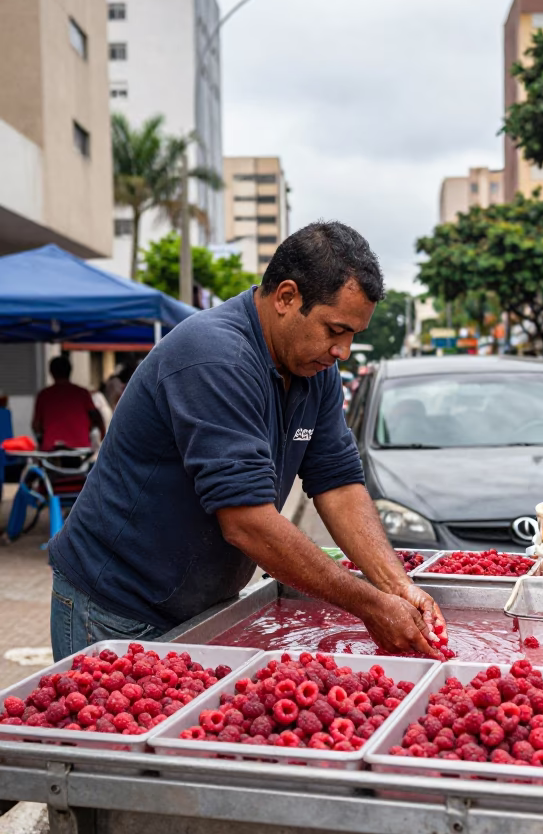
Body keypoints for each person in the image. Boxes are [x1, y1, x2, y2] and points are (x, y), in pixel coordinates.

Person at [48, 222, 445, 665]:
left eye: (353, 334)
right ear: (286, 297)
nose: (344, 351)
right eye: (335, 330)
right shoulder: (214, 356)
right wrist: (371, 606)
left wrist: (397, 587)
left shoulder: (317, 371)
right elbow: (247, 522)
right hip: (116, 609)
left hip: (199, 605)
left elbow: (338, 483)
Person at [32, 355, 105, 452]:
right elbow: (96, 417)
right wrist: (103, 436)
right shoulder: (82, 393)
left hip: (52, 450)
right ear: (70, 371)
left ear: (51, 373)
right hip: (81, 450)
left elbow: (36, 425)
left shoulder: (43, 395)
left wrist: (42, 442)